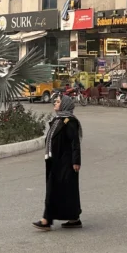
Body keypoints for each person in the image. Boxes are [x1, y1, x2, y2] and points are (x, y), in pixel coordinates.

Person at [33, 93, 82, 231]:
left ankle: (46, 220)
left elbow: (75, 142)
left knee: (55, 189)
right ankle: (74, 218)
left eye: (58, 101)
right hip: (55, 160)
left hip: (65, 162)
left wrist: (76, 161)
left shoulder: (69, 121)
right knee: (66, 191)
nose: (55, 103)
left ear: (64, 105)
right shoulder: (58, 120)